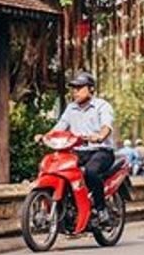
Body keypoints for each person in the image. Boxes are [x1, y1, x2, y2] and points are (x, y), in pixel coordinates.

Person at [43, 70, 115, 224]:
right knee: (58, 169)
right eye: (73, 89)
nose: (75, 92)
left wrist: (100, 136)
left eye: (79, 88)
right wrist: (45, 136)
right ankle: (70, 206)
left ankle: (102, 210)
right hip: (77, 152)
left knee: (90, 172)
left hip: (100, 151)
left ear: (91, 89)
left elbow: (106, 126)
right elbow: (60, 127)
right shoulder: (71, 108)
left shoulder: (102, 106)